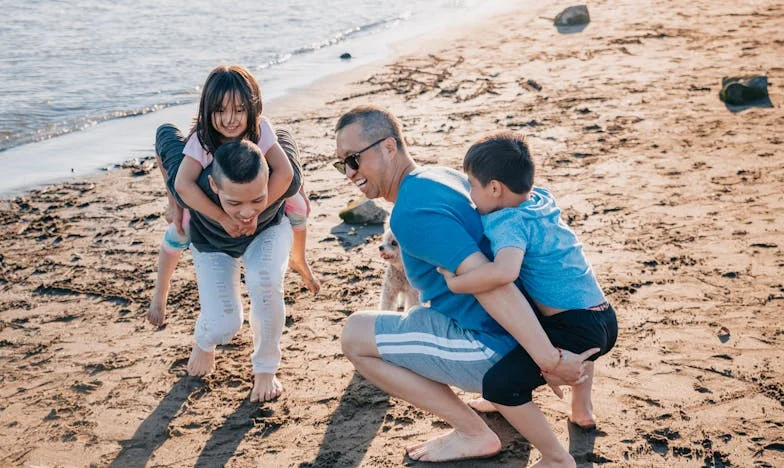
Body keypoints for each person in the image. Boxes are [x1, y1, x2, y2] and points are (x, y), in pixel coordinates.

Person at [335, 105, 598, 466]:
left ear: (389, 147)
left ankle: (473, 432)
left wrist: (547, 360)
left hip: (493, 346)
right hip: (528, 330)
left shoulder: (411, 212)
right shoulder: (440, 176)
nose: (349, 172)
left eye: (353, 159)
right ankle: (498, 400)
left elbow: (491, 283)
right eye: (341, 164)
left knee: (354, 336)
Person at [437, 132, 617, 444]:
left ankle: (552, 456)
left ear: (494, 188)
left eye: (472, 185)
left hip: (575, 330)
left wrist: (457, 283)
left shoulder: (508, 220)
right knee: (549, 331)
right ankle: (581, 409)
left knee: (500, 384)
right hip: (603, 317)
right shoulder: (540, 200)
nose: (469, 194)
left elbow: (506, 271)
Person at [147, 65, 319, 328]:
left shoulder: (260, 130)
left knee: (296, 201)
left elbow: (284, 173)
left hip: (254, 196)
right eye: (220, 110)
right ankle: (160, 293)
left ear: (253, 108)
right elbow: (183, 184)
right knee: (180, 227)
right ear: (208, 110)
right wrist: (221, 216)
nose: (230, 119)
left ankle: (300, 259)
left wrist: (256, 212)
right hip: (211, 199)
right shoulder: (203, 140)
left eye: (239, 110)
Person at [154, 119, 302, 402]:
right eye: (234, 203)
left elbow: (284, 136)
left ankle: (266, 369)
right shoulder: (191, 181)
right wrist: (172, 198)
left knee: (265, 280)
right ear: (212, 184)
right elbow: (164, 135)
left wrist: (301, 262)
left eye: (256, 200)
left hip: (267, 233)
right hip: (212, 243)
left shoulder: (281, 174)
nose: (246, 212)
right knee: (224, 324)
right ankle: (204, 340)